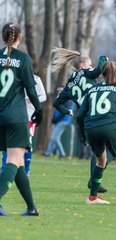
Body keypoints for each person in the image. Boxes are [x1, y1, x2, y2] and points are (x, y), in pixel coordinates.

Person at [77, 61, 116, 207]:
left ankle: (92, 197)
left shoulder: (92, 89)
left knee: (101, 162)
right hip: (110, 127)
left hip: (91, 128)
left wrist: (83, 135)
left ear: (102, 74)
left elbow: (80, 115)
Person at [51, 47, 109, 193]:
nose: (91, 67)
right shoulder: (85, 72)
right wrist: (103, 57)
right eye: (89, 65)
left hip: (85, 119)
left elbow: (56, 103)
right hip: (96, 114)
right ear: (82, 66)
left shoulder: (69, 83)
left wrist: (67, 111)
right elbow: (98, 70)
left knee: (97, 150)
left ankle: (94, 180)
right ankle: (93, 180)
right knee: (108, 150)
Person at [0, 22, 43, 216]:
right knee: (13, 161)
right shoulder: (23, 59)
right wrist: (39, 109)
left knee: (16, 164)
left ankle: (31, 207)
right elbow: (31, 89)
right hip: (16, 117)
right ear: (20, 37)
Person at [1, 74, 47, 175]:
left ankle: (26, 170)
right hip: (13, 113)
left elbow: (43, 96)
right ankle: (4, 167)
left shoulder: (36, 79)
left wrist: (33, 99)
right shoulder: (14, 76)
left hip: (29, 115)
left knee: (27, 143)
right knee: (7, 140)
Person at [43, 86, 74, 158]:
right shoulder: (62, 99)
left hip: (63, 121)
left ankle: (62, 153)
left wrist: (55, 120)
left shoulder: (67, 99)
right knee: (55, 137)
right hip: (59, 121)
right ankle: (49, 152)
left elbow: (64, 112)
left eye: (60, 91)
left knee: (54, 138)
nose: (59, 92)